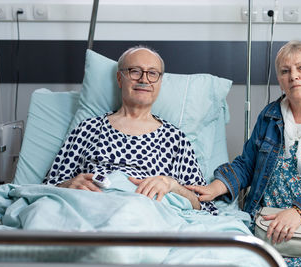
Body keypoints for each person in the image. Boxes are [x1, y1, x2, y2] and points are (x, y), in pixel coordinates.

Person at [186, 40, 301, 266]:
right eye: (285, 71)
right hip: (264, 227)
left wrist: (299, 212)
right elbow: (247, 165)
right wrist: (215, 187)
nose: (293, 76)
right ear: (280, 81)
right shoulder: (269, 117)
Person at [43, 45, 217, 215]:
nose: (144, 79)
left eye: (152, 73)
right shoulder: (88, 129)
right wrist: (70, 184)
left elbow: (202, 205)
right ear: (120, 79)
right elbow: (48, 187)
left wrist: (171, 184)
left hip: (145, 212)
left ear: (159, 83)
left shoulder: (175, 139)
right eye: (135, 71)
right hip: (90, 207)